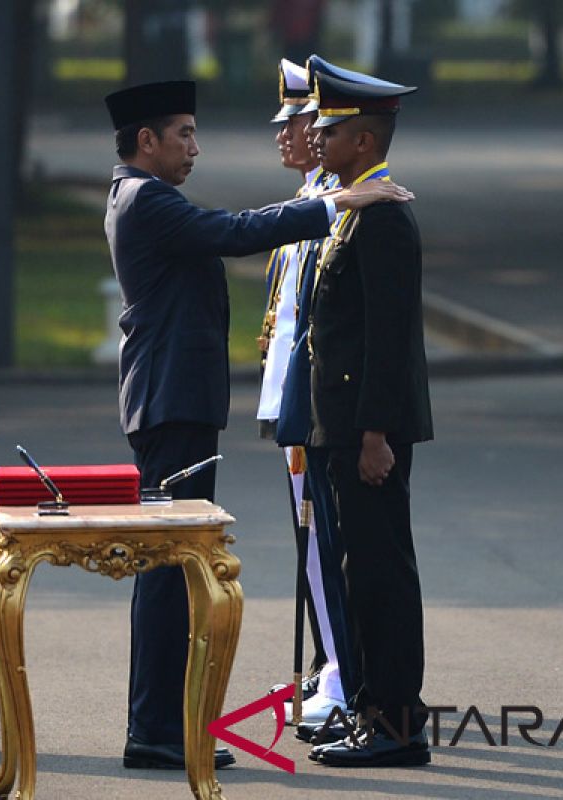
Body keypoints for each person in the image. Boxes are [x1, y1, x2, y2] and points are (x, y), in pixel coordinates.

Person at [103, 79, 411, 770]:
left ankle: (165, 722)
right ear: (145, 141)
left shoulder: (143, 197)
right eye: (182, 133)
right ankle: (154, 727)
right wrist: (337, 200)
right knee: (170, 569)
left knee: (178, 567)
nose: (194, 145)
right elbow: (235, 233)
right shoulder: (145, 199)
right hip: (170, 403)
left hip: (173, 402)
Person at [305, 67, 433, 768]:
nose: (316, 137)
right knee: (362, 571)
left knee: (382, 572)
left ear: (363, 138)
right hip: (347, 425)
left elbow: (388, 337)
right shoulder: (352, 207)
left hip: (367, 429)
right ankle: (368, 711)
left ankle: (397, 725)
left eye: (328, 129)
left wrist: (376, 433)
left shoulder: (382, 216)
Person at [257, 57, 355, 727]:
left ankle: (343, 674)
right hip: (291, 403)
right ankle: (331, 664)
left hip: (316, 405)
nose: (284, 134)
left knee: (328, 546)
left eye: (293, 121)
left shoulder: (328, 204)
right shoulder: (309, 201)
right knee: (311, 546)